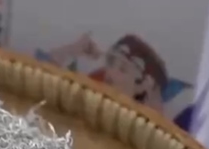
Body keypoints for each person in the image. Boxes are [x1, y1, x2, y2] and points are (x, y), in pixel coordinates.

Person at [36, 33, 190, 117]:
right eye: (110, 61)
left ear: (142, 85)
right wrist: (72, 49)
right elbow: (38, 82)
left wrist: (154, 98)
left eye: (123, 68)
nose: (110, 72)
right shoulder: (86, 97)